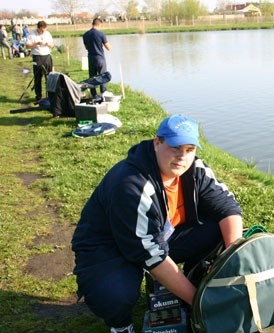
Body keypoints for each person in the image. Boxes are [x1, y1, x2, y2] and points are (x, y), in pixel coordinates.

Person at [71, 114, 243, 333]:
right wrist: (202, 305)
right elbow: (150, 254)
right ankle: (121, 326)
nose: (182, 157)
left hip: (156, 237)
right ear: (157, 143)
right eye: (175, 147)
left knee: (217, 229)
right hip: (108, 248)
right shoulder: (131, 184)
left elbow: (227, 206)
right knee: (114, 294)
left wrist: (235, 257)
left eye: (190, 149)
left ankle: (192, 282)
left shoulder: (194, 169)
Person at [82, 17, 111, 97]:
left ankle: (93, 94)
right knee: (103, 76)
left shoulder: (85, 35)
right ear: (99, 24)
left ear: (92, 24)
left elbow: (86, 47)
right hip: (100, 58)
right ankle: (103, 93)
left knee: (92, 77)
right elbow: (108, 48)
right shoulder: (101, 34)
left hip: (91, 58)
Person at [26, 21, 54, 102]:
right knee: (38, 77)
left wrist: (49, 44)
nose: (43, 32)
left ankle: (50, 96)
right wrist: (35, 44)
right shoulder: (32, 34)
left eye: (44, 30)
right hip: (37, 57)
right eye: (42, 30)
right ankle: (38, 97)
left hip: (47, 56)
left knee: (49, 77)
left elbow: (52, 45)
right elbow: (27, 46)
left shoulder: (47, 34)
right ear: (38, 28)